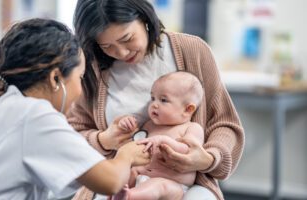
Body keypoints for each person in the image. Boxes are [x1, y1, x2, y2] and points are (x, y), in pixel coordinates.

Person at [0, 18, 151, 200]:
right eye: (80, 78)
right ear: (56, 78)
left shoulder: (3, 105)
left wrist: (104, 141)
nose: (81, 90)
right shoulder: (34, 116)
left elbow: (65, 166)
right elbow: (110, 181)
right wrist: (126, 154)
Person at [67, 0, 245, 199]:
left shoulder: (193, 50)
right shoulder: (91, 67)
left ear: (144, 18)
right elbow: (71, 135)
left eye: (127, 38)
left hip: (184, 183)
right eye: (106, 46)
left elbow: (223, 122)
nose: (121, 53)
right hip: (120, 176)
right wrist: (103, 140)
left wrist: (207, 158)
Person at [113, 71, 205, 200]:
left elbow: (189, 151)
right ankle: (119, 193)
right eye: (152, 98)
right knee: (127, 173)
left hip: (172, 186)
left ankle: (129, 196)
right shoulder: (149, 125)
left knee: (160, 186)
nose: (154, 104)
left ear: (187, 109)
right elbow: (134, 143)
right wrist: (126, 124)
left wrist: (164, 140)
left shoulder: (191, 128)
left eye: (163, 100)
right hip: (140, 178)